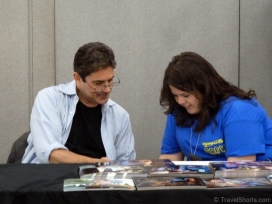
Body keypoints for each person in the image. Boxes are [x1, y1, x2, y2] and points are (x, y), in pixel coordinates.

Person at [22, 42, 136, 163]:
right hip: (51, 178)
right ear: (77, 78)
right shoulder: (50, 99)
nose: (107, 89)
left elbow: (126, 164)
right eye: (98, 84)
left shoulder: (120, 116)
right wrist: (97, 164)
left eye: (110, 81)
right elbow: (51, 155)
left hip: (100, 181)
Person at [159, 52, 272, 161]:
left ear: (204, 88)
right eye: (175, 96)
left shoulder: (239, 110)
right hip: (204, 178)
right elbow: (170, 158)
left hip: (251, 176)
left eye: (186, 95)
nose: (180, 101)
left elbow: (240, 169)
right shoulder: (178, 110)